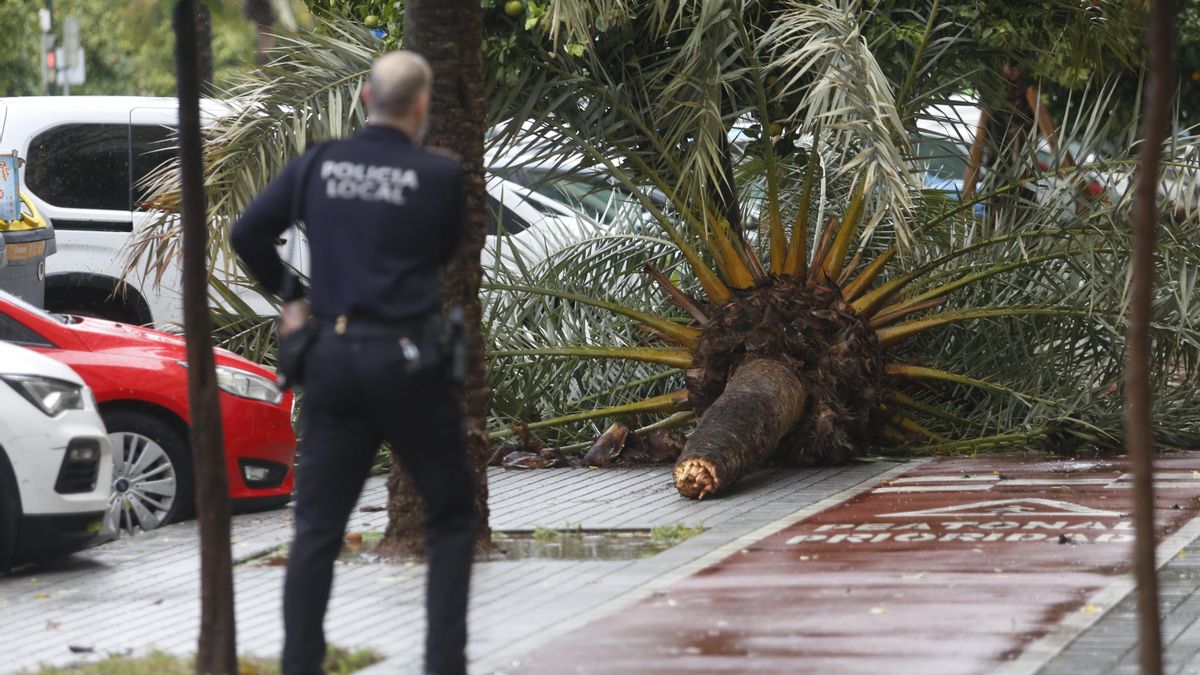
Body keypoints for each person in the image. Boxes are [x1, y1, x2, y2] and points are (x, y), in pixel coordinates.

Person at [231, 50, 480, 675]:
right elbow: (448, 250)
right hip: (408, 361)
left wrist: (293, 298)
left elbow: (247, 233)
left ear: (367, 97)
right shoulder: (440, 176)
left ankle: (301, 667)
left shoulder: (319, 164)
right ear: (420, 106)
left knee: (316, 528)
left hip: (333, 359)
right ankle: (444, 664)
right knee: (451, 514)